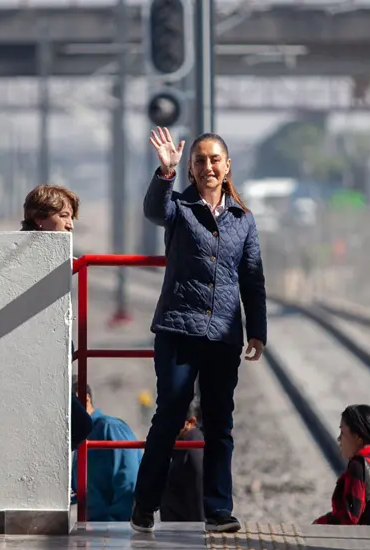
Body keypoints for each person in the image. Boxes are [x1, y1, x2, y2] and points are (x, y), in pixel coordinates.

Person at [131, 127, 267, 534]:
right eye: (200, 160)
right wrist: (165, 173)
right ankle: (144, 505)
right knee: (170, 415)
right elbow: (154, 211)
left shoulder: (243, 220)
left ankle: (219, 511)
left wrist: (257, 330)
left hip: (223, 336)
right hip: (177, 329)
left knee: (220, 424)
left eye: (215, 160)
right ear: (191, 168)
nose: (208, 166)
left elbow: (252, 277)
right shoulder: (179, 207)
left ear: (227, 167)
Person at [19, 185, 92, 451]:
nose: (70, 224)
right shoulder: (23, 255)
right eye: (63, 216)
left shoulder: (49, 256)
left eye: (71, 217)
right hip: (37, 363)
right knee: (81, 425)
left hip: (51, 361)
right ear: (39, 219)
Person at [72, 384, 142, 521]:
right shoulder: (82, 436)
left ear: (85, 399)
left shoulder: (110, 428)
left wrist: (116, 522)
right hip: (95, 525)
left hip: (111, 528)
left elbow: (128, 478)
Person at [313, 404, 370, 526]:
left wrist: (319, 523)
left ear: (358, 437)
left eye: (342, 432)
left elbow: (349, 519)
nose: (339, 439)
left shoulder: (359, 466)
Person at [160, 400, 204, 522]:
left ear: (190, 422)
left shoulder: (192, 442)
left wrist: (200, 525)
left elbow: (197, 484)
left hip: (187, 527)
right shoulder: (184, 442)